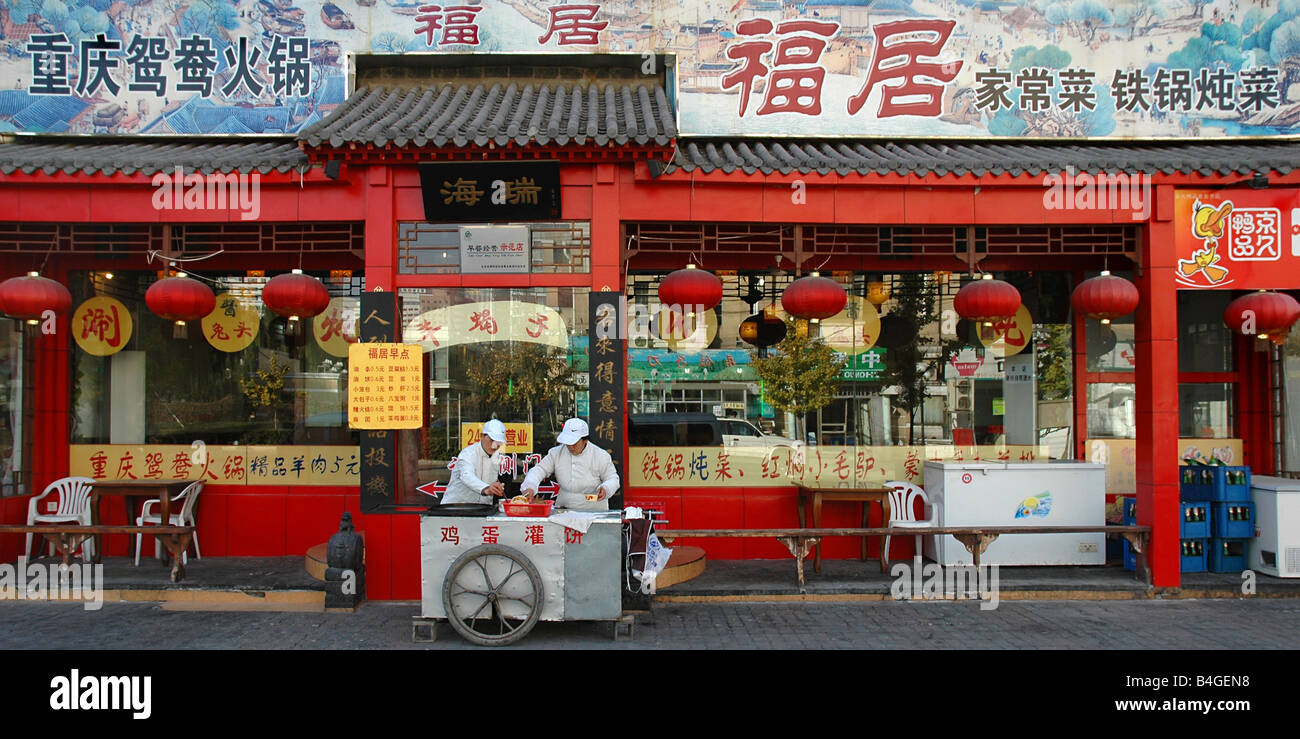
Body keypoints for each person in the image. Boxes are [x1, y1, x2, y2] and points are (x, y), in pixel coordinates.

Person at [521, 418, 619, 511]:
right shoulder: (556, 453)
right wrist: (530, 485)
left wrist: (606, 488)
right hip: (564, 507)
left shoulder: (600, 455)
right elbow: (540, 469)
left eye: (574, 444)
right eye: (568, 443)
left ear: (585, 440)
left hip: (593, 507)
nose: (571, 447)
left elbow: (612, 478)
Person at [441, 419, 508, 505]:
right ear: (482, 436)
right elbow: (466, 475)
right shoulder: (468, 453)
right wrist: (486, 489)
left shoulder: (497, 456)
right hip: (456, 507)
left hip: (483, 508)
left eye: (498, 442)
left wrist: (496, 487)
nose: (494, 445)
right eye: (492, 440)